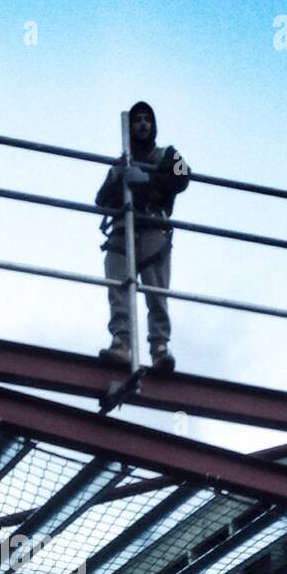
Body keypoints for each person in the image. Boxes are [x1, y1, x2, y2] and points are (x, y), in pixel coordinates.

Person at [95, 101, 190, 371]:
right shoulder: (120, 163)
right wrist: (117, 179)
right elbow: (101, 200)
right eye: (137, 120)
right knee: (118, 288)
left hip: (152, 229)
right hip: (123, 231)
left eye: (147, 119)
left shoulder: (168, 154)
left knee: (156, 291)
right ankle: (121, 342)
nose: (143, 124)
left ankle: (160, 346)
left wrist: (149, 179)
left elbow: (184, 177)